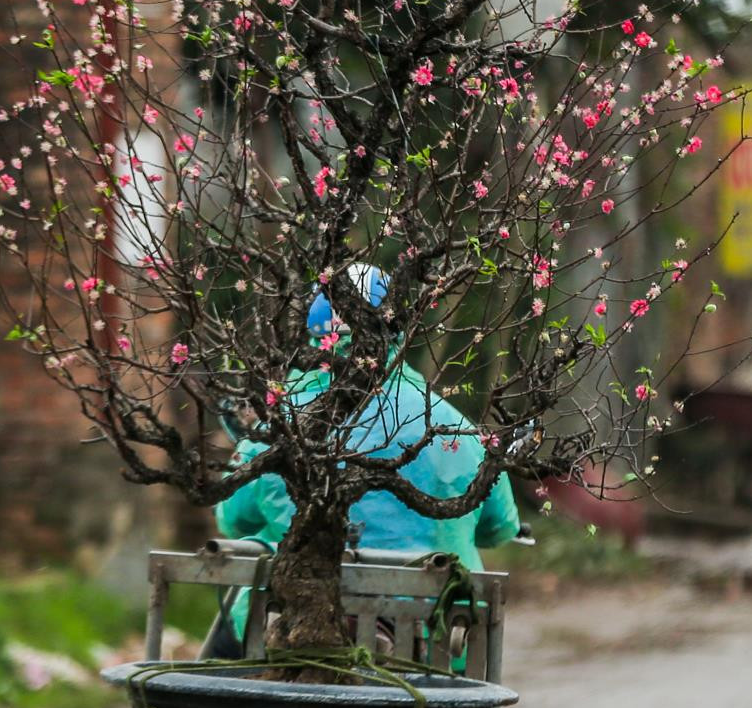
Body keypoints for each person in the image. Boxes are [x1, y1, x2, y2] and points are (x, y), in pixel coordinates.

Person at [205, 264, 520, 657]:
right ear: (397, 330)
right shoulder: (454, 428)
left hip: (283, 627)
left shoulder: (280, 424)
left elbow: (234, 520)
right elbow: (499, 526)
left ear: (314, 336)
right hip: (431, 640)